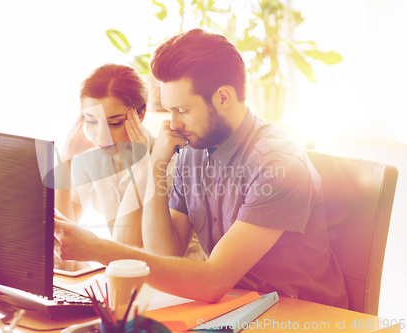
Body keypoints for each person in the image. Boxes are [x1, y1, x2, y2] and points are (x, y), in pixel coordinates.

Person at [54, 29, 348, 309]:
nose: (173, 124)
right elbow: (165, 256)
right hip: (235, 307)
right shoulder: (191, 153)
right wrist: (156, 162)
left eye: (182, 110)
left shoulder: (279, 164)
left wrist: (99, 249)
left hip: (301, 314)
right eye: (169, 110)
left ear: (223, 98)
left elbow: (212, 281)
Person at [54, 63, 206, 262]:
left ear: (140, 115)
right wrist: (65, 160)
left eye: (114, 123)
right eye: (91, 121)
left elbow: (126, 244)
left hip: (179, 279)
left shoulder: (171, 163)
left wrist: (142, 168)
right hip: (131, 277)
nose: (101, 136)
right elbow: (64, 228)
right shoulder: (96, 160)